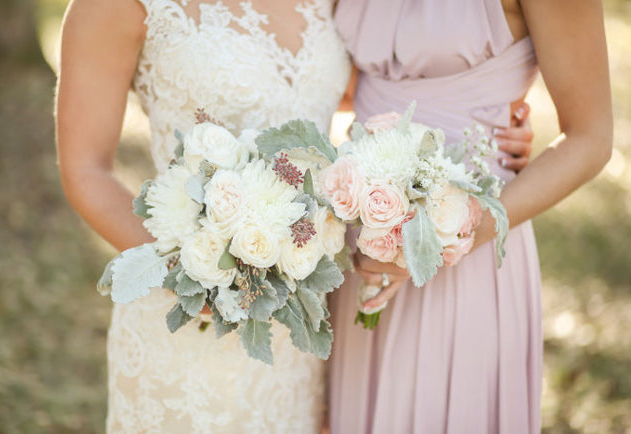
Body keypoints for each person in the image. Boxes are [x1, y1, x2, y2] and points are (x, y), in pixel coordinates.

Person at [55, 0, 535, 431]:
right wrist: (197, 273)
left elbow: (380, 84)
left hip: (298, 326)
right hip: (190, 312)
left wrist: (485, 123)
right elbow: (85, 171)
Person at [328, 0, 612, 433]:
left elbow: (590, 139)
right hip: (363, 242)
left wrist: (451, 236)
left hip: (470, 253)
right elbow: (338, 80)